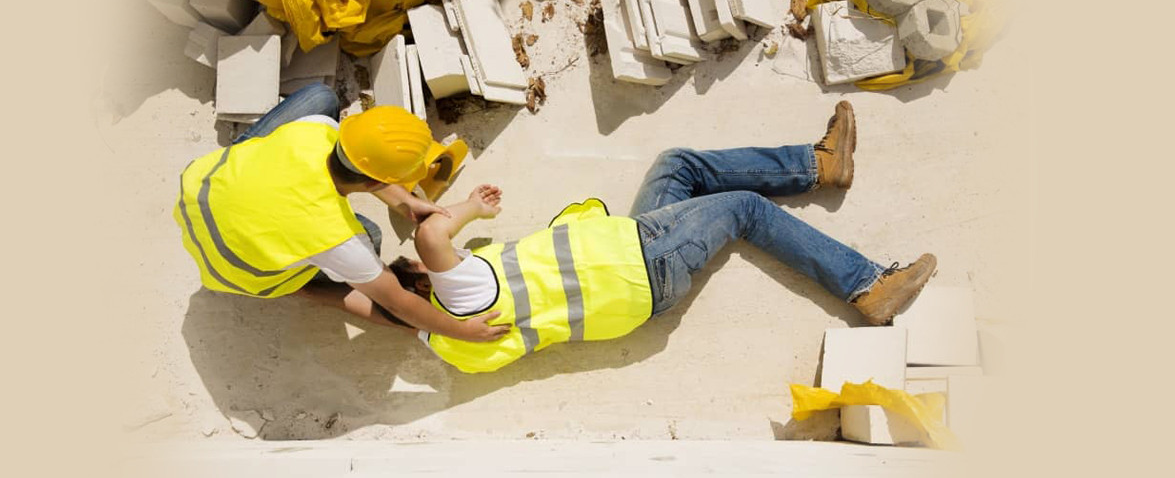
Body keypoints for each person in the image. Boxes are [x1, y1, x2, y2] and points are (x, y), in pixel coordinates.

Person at [383, 101, 938, 373]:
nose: (433, 259)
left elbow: (379, 303)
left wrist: (384, 296)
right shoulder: (465, 296)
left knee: (677, 166)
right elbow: (432, 235)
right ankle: (867, 286)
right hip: (641, 260)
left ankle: (819, 164)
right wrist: (470, 208)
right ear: (424, 285)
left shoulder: (447, 345)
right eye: (418, 267)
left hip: (634, 276)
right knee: (745, 208)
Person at [173, 83, 510, 343]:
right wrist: (461, 331)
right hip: (236, 269)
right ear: (376, 182)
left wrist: (405, 202)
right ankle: (297, 285)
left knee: (320, 97)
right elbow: (397, 304)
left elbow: (359, 166)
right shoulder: (340, 239)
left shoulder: (315, 129)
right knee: (371, 238)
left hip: (201, 190)